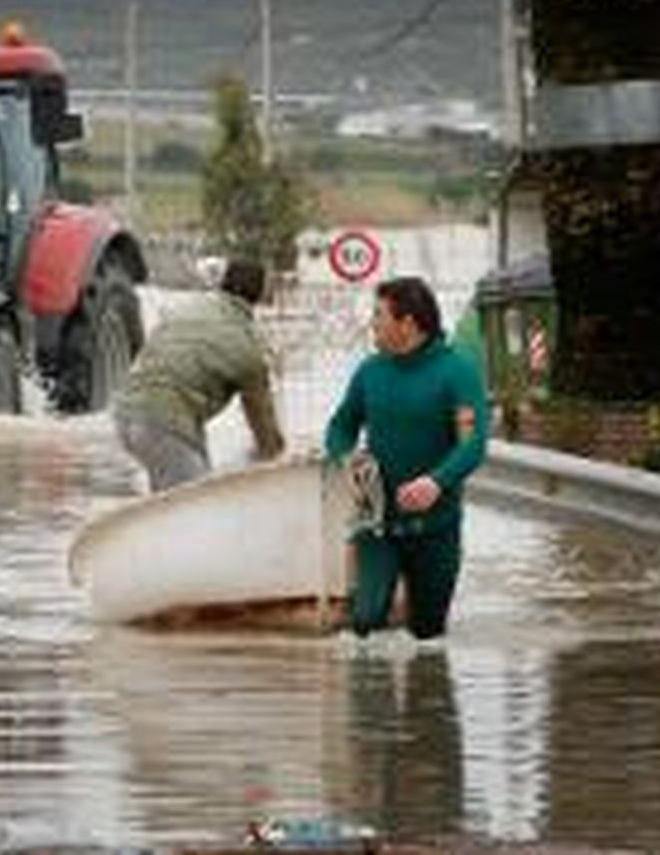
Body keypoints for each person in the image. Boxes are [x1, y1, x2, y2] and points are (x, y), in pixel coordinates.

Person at [325, 275, 489, 640]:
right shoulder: (370, 371)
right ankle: (368, 692)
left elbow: (474, 444)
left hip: (437, 529)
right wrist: (347, 458)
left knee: (429, 635)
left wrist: (436, 481)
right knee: (366, 623)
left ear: (408, 324)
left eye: (379, 316)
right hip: (376, 525)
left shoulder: (456, 372)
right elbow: (340, 427)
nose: (372, 325)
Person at [112, 257, 286, 492]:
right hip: (166, 423)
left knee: (171, 500)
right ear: (260, 294)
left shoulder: (187, 308)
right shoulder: (247, 346)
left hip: (125, 414)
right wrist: (280, 461)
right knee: (196, 505)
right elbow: (264, 427)